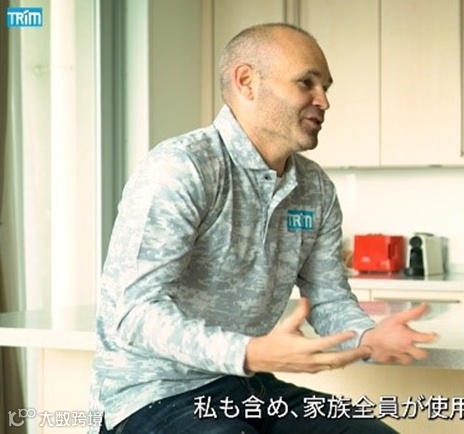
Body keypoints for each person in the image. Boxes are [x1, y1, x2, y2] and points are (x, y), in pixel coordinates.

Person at [90, 22, 438, 434]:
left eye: (325, 87)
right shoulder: (182, 167)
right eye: (306, 83)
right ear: (246, 82)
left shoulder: (315, 189)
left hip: (245, 386)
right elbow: (134, 313)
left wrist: (367, 338)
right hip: (151, 396)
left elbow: (328, 299)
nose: (323, 100)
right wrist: (251, 352)